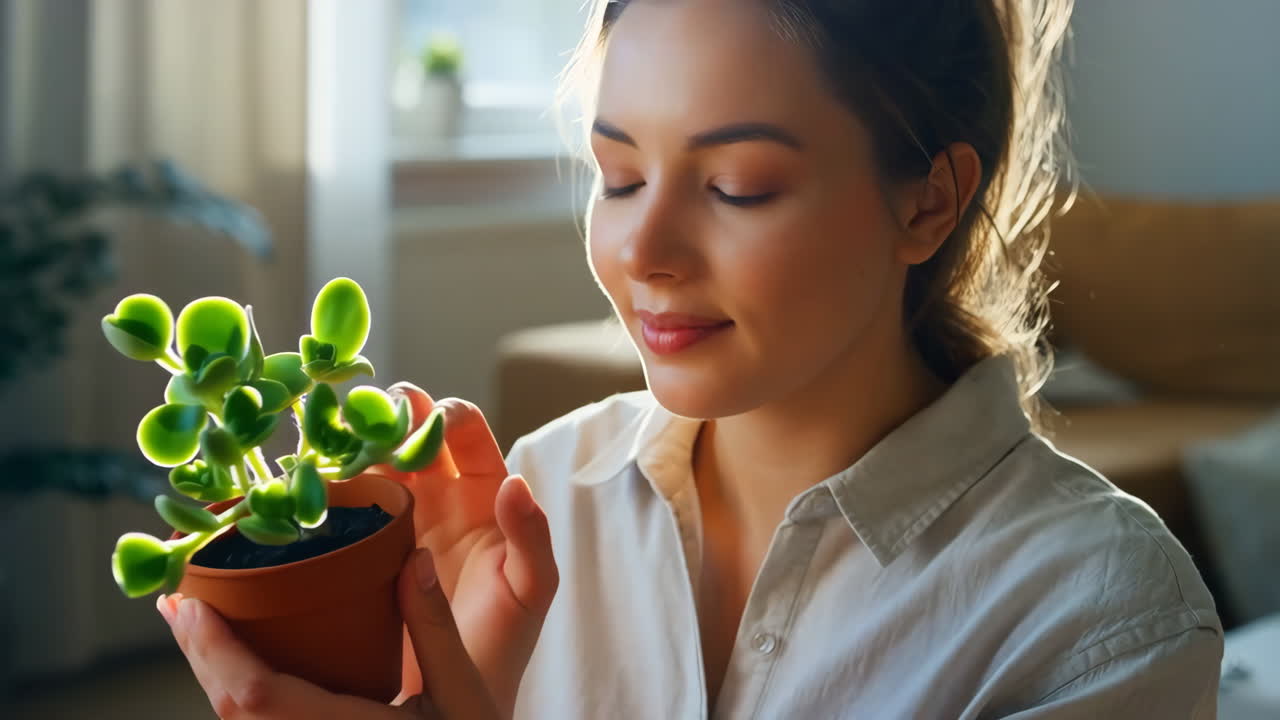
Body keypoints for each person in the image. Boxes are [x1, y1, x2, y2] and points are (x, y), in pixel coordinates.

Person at [157, 0, 1225, 717]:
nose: (643, 252)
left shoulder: (1099, 614)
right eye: (617, 175)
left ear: (928, 200)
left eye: (736, 187)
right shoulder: (540, 496)